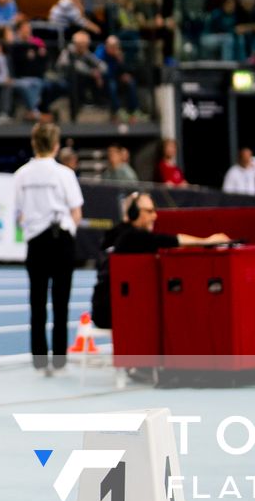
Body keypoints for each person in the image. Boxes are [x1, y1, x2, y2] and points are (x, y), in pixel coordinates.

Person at [90, 192, 230, 330]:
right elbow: (171, 241)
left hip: (105, 308)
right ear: (134, 213)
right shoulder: (131, 236)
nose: (155, 216)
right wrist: (206, 241)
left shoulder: (115, 234)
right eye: (150, 211)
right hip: (113, 311)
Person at [14, 121, 83, 375]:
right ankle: (60, 359)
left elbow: (18, 214)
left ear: (34, 143)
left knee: (38, 301)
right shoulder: (64, 173)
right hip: (61, 238)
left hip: (36, 242)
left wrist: (33, 225)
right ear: (56, 145)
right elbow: (76, 212)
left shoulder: (21, 174)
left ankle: (39, 360)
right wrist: (67, 229)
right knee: (61, 302)